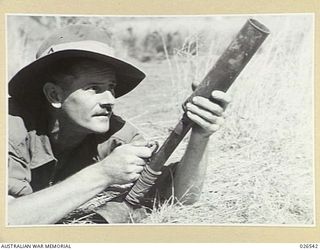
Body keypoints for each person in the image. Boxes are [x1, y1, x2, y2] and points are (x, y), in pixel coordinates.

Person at [7, 24, 230, 225]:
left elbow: (182, 197)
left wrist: (200, 136)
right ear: (54, 94)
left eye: (111, 87)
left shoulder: (118, 136)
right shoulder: (10, 128)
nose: (110, 100)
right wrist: (102, 174)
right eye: (93, 88)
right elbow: (8, 222)